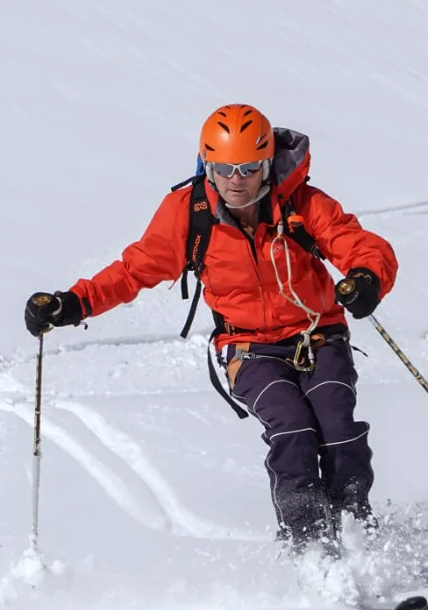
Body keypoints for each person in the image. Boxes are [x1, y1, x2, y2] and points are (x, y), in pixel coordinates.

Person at [25, 104, 398, 556]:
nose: (235, 179)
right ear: (207, 164)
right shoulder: (190, 213)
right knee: (293, 432)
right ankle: (310, 548)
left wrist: (366, 279)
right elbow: (133, 270)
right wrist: (72, 303)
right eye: (223, 168)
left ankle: (358, 535)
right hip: (249, 349)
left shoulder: (301, 203)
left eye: (248, 168)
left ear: (267, 164)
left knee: (337, 426)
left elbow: (358, 244)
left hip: (318, 336)